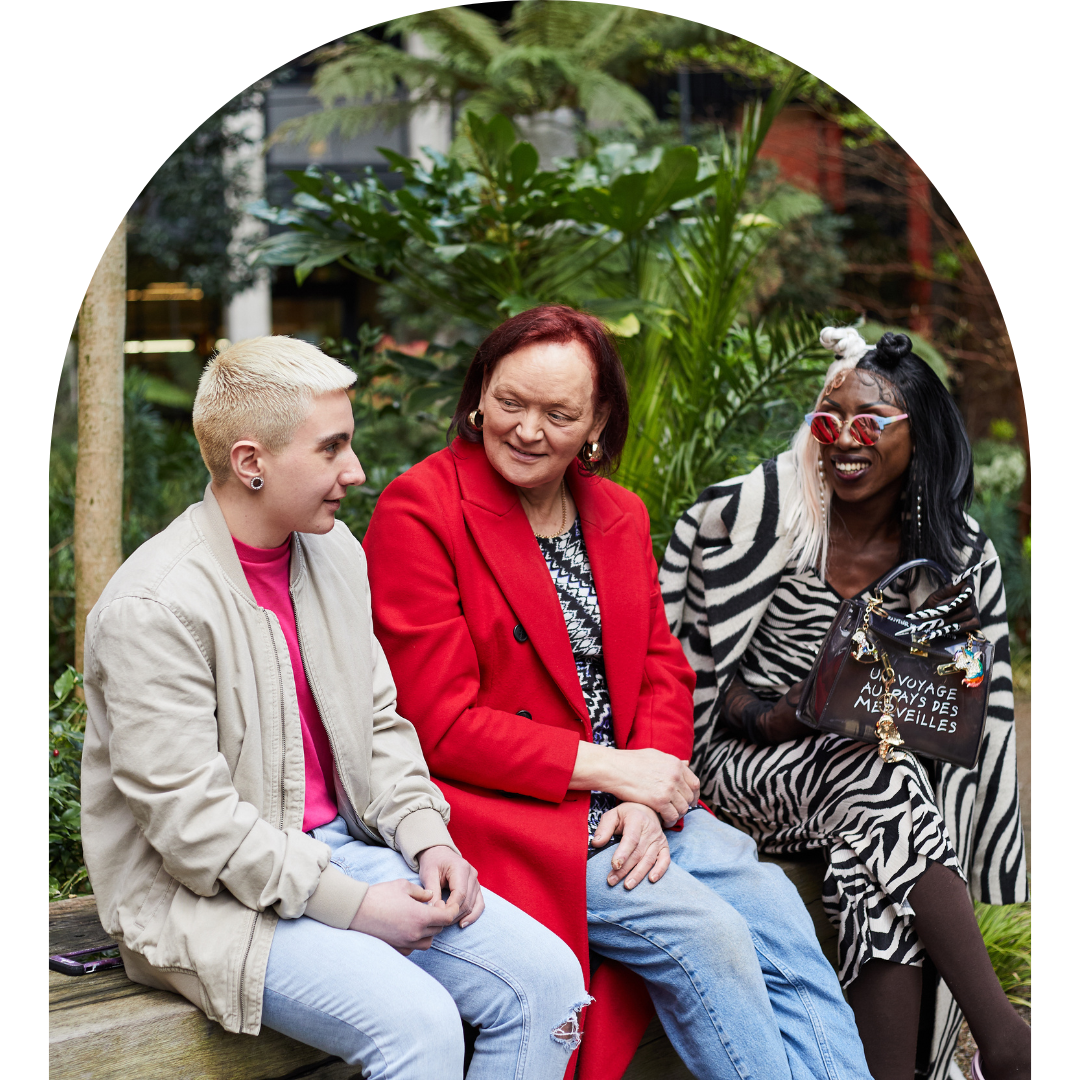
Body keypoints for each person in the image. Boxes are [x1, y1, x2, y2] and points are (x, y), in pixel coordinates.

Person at [362, 305, 873, 1080]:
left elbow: (660, 671)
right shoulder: (420, 510)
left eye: (558, 413)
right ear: (479, 394)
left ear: (597, 421)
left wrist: (647, 789)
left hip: (633, 808)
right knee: (709, 936)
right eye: (510, 403)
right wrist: (614, 773)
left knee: (779, 919)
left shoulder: (616, 512)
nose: (528, 430)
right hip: (518, 818)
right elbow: (440, 725)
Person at [80, 336, 589, 1080]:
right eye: (331, 450)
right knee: (420, 1029)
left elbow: (380, 725)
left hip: (346, 856)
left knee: (549, 987)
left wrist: (428, 840)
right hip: (206, 903)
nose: (355, 471)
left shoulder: (333, 552)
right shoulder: (153, 607)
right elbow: (196, 833)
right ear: (251, 462)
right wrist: (354, 905)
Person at [660, 326, 1030, 1080]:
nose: (842, 441)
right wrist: (792, 712)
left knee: (877, 862)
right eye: (827, 423)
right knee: (863, 757)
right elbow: (698, 679)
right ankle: (1006, 1036)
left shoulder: (955, 557)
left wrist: (899, 700)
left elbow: (975, 719)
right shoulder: (761, 528)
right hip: (743, 766)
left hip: (871, 780)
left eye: (869, 424)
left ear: (917, 436)